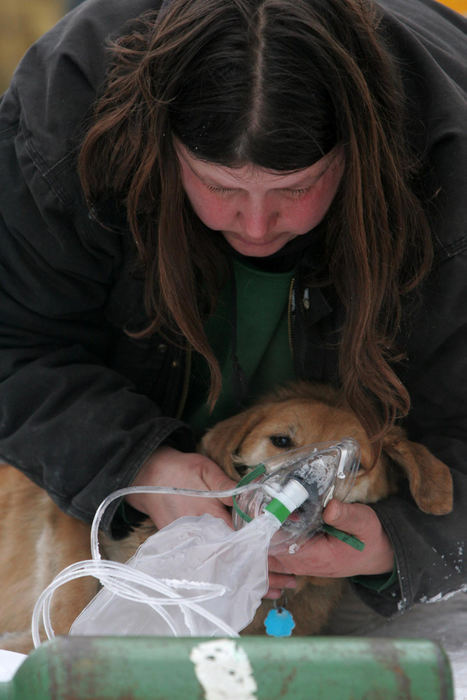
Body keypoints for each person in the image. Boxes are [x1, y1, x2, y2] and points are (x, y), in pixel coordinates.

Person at [0, 0, 465, 627]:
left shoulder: (452, 179)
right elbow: (15, 341)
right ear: (161, 145)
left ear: (356, 153)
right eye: (220, 186)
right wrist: (141, 466)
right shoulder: (63, 123)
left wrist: (394, 543)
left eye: (296, 188)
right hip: (96, 499)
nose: (254, 224)